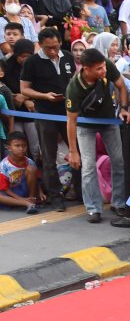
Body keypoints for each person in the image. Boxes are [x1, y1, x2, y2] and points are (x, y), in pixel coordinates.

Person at [64, 47, 130, 226]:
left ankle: (118, 203)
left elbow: (121, 85)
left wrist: (123, 108)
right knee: (88, 166)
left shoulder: (107, 65)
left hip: (109, 121)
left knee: (118, 161)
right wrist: (73, 151)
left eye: (104, 67)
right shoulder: (74, 87)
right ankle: (93, 207)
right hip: (85, 126)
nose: (104, 71)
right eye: (99, 69)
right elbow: (71, 121)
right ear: (86, 69)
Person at [19, 27, 77, 210]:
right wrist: (44, 96)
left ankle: (80, 192)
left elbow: (74, 80)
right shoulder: (32, 62)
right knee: (49, 155)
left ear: (60, 42)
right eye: (48, 48)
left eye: (55, 47)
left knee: (77, 152)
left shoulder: (67, 56)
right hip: (45, 112)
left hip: (68, 112)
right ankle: (55, 195)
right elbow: (24, 89)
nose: (52, 51)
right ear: (41, 45)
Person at [0, 132, 41, 212]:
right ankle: (27, 204)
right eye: (17, 146)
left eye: (24, 146)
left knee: (31, 169)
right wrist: (21, 199)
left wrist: (40, 192)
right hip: (11, 194)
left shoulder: (29, 161)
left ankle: (31, 199)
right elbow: (5, 189)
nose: (21, 149)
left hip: (26, 191)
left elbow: (37, 180)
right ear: (9, 148)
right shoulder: (3, 165)